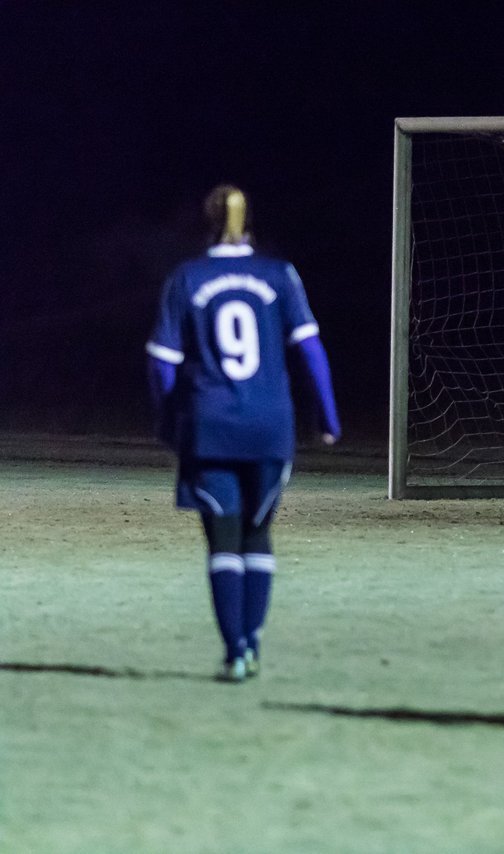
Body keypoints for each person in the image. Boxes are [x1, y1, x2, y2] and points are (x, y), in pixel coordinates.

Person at [145, 184, 341, 683]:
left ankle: (235, 651)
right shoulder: (278, 274)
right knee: (258, 534)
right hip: (269, 426)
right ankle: (251, 641)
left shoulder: (187, 277)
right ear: (251, 220)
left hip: (210, 426)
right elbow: (311, 348)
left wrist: (169, 419)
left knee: (222, 541)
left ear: (205, 223)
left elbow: (161, 361)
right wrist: (328, 415)